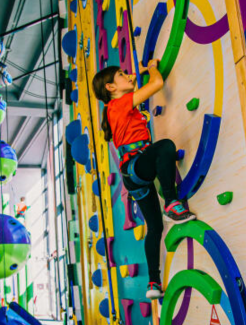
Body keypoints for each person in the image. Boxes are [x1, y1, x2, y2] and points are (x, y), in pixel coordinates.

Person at [92, 59, 196, 300]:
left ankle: (153, 282)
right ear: (111, 88)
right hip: (135, 165)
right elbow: (157, 83)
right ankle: (171, 202)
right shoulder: (119, 104)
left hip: (133, 175)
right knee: (165, 147)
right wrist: (151, 68)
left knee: (155, 227)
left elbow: (134, 85)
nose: (128, 75)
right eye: (121, 74)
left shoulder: (115, 108)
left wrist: (136, 74)